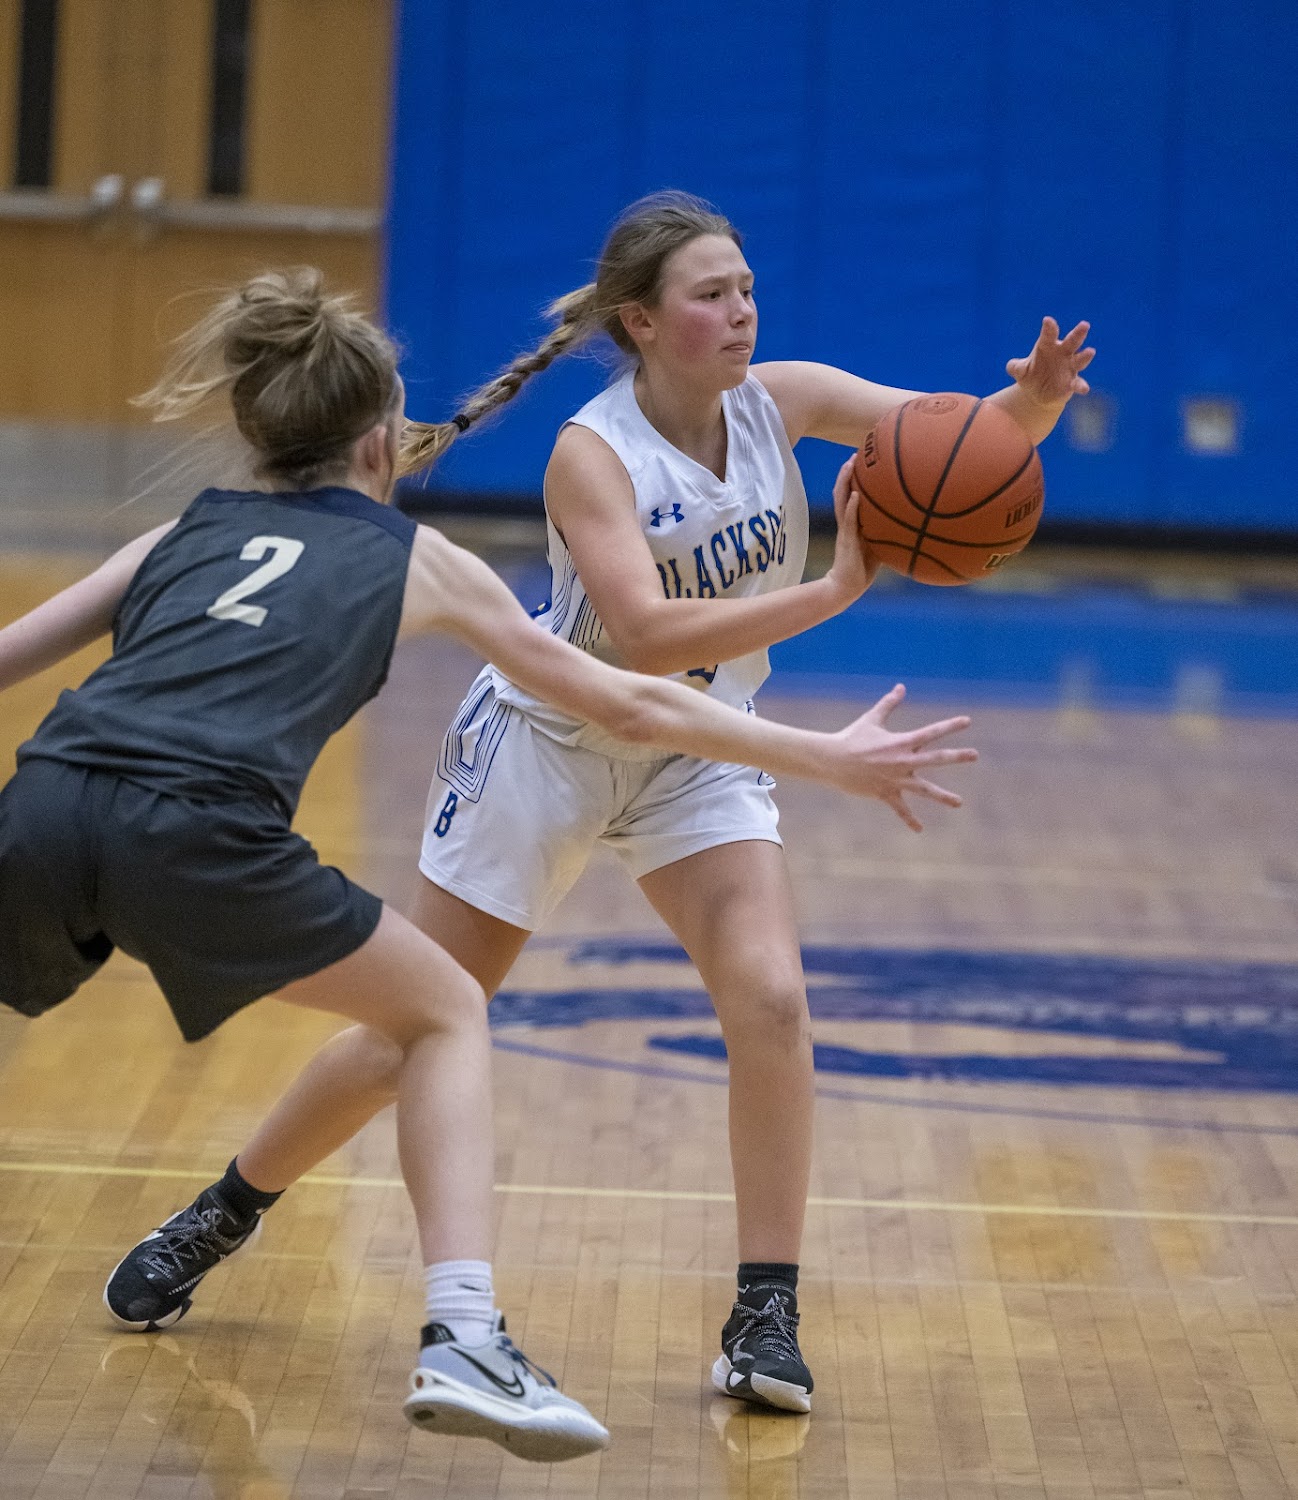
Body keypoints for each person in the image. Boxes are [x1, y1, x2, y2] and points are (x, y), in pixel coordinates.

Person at [99, 182, 1086, 1418]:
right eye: (711, 294)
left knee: (771, 1001)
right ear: (640, 321)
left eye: (746, 288)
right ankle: (224, 1209)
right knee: (415, 1027)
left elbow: (961, 452)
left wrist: (1033, 405)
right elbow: (645, 633)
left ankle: (763, 1313)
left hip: (697, 749)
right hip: (548, 747)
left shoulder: (787, 400)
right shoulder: (591, 454)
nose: (742, 311)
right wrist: (832, 591)